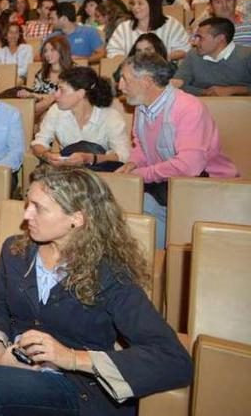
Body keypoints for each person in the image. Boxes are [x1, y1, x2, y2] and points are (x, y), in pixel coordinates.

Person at [0, 165, 193, 416]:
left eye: (38, 207)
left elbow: (174, 360)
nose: (26, 215)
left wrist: (70, 357)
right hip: (15, 377)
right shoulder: (15, 251)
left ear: (77, 218)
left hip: (77, 389)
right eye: (28, 203)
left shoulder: (109, 274)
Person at [116, 52, 238, 249]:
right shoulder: (141, 107)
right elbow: (142, 147)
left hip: (207, 188)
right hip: (166, 183)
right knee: (123, 195)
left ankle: (155, 264)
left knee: (137, 202)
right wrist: (131, 165)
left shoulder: (188, 107)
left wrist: (139, 175)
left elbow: (189, 166)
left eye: (125, 79)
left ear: (146, 81)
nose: (120, 86)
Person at [33, 67, 131, 172]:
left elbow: (123, 156)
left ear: (81, 93)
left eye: (62, 90)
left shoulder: (110, 116)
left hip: (99, 175)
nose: (56, 95)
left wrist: (90, 158)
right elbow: (39, 143)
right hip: (67, 172)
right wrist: (47, 155)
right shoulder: (56, 110)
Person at [172, 17, 251, 96]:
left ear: (220, 38)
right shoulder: (193, 55)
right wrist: (204, 92)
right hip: (203, 104)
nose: (195, 42)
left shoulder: (247, 55)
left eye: (200, 37)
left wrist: (234, 90)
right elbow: (177, 86)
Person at [106, 0, 190, 60]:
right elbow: (113, 52)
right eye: (134, 4)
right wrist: (132, 62)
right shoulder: (124, 28)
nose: (135, 7)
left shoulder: (171, 24)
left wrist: (159, 60)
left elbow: (184, 49)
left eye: (140, 4)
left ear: (152, 6)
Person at [25, 35, 73, 116]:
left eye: (52, 50)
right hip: (42, 110)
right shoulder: (41, 73)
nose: (48, 54)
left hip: (64, 110)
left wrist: (46, 98)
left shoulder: (74, 71)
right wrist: (31, 95)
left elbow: (71, 96)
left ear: (62, 51)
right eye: (45, 51)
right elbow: (35, 95)